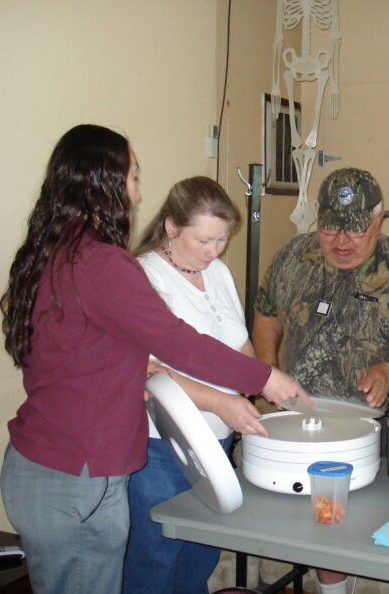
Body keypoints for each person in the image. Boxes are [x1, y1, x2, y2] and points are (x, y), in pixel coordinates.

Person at [0, 125, 310, 594]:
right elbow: (177, 343)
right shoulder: (104, 264)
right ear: (105, 181)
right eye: (133, 177)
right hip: (75, 473)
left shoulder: (56, 252)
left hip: (55, 462)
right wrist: (265, 377)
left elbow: (92, 357)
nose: (138, 192)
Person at [253, 167, 389, 594]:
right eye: (330, 229)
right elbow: (266, 314)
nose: (341, 242)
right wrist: (266, 373)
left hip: (384, 431)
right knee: (328, 526)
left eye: (354, 231)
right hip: (312, 429)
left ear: (378, 218)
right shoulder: (291, 258)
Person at [122, 177, 266, 593]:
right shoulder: (144, 277)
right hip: (162, 446)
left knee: (201, 551)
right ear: (170, 227)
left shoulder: (217, 272)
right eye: (204, 241)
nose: (213, 251)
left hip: (215, 440)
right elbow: (150, 370)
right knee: (154, 558)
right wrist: (224, 401)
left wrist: (256, 386)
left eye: (221, 241)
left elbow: (239, 343)